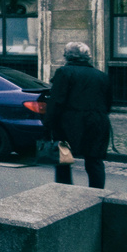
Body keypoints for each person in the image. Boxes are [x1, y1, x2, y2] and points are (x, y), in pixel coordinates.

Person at [47, 41, 112, 189]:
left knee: (63, 159)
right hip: (98, 122)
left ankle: (65, 190)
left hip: (70, 123)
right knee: (94, 161)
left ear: (67, 57)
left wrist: (49, 125)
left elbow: (56, 102)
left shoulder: (64, 72)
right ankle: (97, 194)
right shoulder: (102, 75)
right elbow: (108, 104)